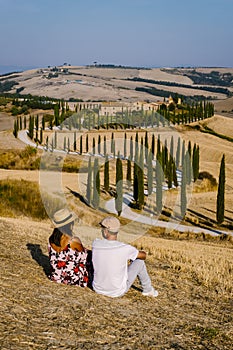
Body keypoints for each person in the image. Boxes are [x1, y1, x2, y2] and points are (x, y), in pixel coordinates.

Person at [92, 216, 158, 298]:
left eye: (102, 228)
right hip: (116, 292)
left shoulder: (96, 244)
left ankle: (148, 290)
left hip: (97, 288)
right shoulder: (124, 248)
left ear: (105, 231)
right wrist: (140, 253)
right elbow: (143, 256)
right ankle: (148, 290)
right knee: (139, 262)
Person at [48, 208, 93, 288]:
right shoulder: (73, 240)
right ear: (69, 223)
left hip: (57, 277)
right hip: (73, 279)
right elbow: (84, 254)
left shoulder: (51, 239)